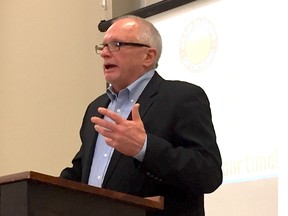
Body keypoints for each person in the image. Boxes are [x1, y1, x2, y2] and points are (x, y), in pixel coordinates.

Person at [60, 15, 222, 216]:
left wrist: (144, 148)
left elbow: (208, 173)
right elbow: (80, 172)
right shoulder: (97, 107)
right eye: (103, 47)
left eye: (116, 45)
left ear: (148, 56)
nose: (105, 54)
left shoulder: (182, 98)